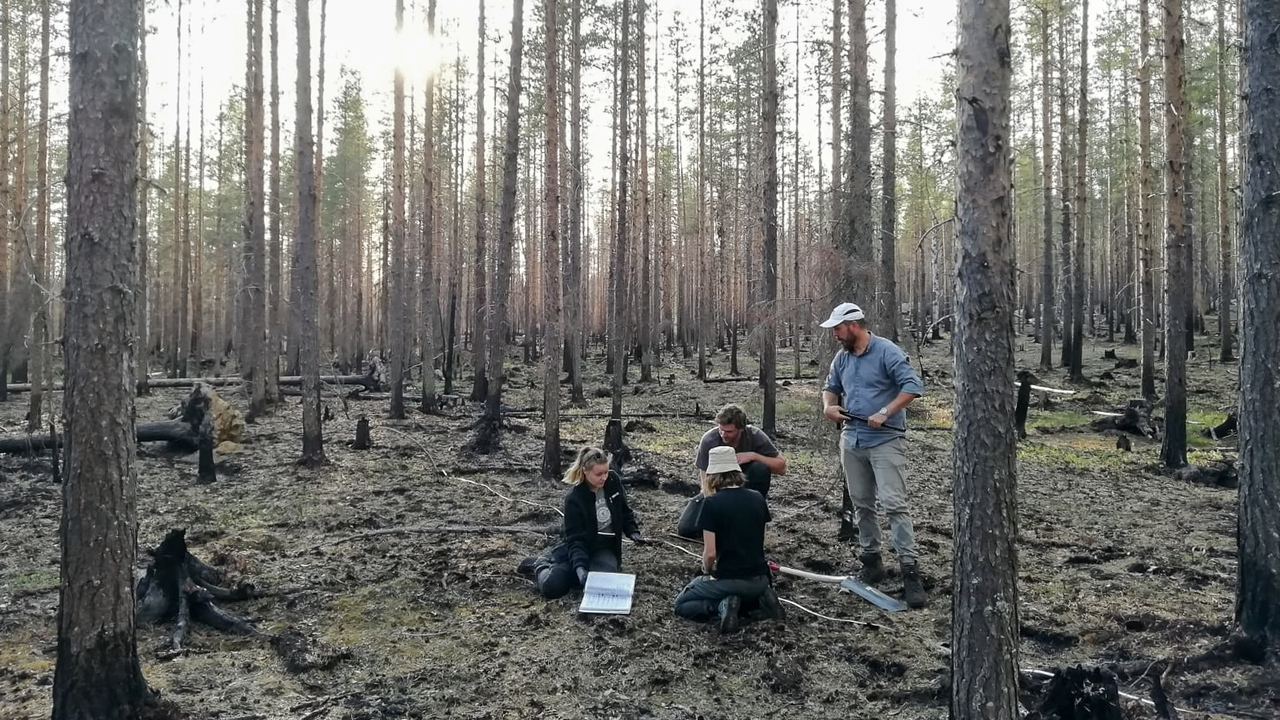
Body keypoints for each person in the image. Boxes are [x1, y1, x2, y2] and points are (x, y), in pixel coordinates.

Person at [819, 302, 927, 609]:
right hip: (852, 439)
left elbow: (912, 387)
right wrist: (829, 406)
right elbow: (831, 387)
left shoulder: (887, 352)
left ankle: (910, 571)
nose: (836, 335)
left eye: (838, 329)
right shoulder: (842, 358)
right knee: (862, 503)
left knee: (894, 504)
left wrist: (885, 411)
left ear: (853, 325)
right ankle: (871, 561)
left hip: (885, 440)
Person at [673, 447, 784, 632]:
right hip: (760, 579)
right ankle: (761, 600)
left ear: (711, 475)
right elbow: (760, 542)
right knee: (746, 590)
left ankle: (721, 606)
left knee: (681, 604)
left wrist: (706, 572)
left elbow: (710, 554)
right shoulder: (757, 498)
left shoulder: (711, 504)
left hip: (729, 578)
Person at [516, 447, 645, 599]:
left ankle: (580, 573)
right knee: (554, 587)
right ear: (585, 471)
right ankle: (540, 565)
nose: (604, 477)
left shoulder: (613, 481)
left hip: (605, 547)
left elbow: (624, 510)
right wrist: (580, 568)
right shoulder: (574, 499)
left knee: (601, 586)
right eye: (599, 474)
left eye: (606, 472)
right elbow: (576, 539)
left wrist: (633, 532)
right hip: (579, 547)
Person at [675, 404, 787, 538]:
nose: (723, 434)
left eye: (729, 432)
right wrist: (714, 508)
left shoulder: (754, 436)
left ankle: (751, 518)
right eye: (721, 430)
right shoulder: (709, 440)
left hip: (746, 490)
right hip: (718, 491)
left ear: (741, 429)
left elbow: (781, 467)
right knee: (686, 528)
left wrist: (753, 455)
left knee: (760, 468)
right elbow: (705, 482)